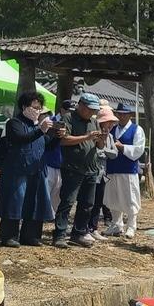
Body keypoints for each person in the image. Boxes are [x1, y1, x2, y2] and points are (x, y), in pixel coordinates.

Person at [0, 91, 56, 248]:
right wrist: (40, 130)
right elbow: (20, 139)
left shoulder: (38, 126)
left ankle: (31, 236)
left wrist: (57, 137)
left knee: (35, 202)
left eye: (39, 107)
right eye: (34, 106)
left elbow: (47, 145)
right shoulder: (14, 123)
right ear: (24, 107)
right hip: (17, 169)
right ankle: (9, 236)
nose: (37, 110)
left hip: (37, 169)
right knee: (14, 202)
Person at [52, 92, 106, 248]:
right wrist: (86, 137)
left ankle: (79, 233)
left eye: (94, 110)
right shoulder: (68, 118)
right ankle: (60, 234)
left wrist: (101, 139)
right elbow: (63, 140)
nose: (92, 113)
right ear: (81, 105)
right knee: (67, 201)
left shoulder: (94, 122)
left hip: (91, 168)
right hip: (73, 167)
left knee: (87, 204)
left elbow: (99, 146)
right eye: (90, 109)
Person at [102, 102, 145, 240]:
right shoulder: (112, 129)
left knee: (130, 197)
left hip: (128, 170)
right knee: (113, 196)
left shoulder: (136, 129)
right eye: (119, 113)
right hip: (112, 168)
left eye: (123, 114)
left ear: (129, 115)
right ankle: (116, 224)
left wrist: (123, 147)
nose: (120, 116)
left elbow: (139, 150)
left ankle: (131, 225)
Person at [78, 106, 119, 241]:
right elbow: (94, 152)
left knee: (99, 202)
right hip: (92, 172)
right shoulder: (93, 133)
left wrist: (104, 148)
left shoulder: (111, 137)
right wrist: (103, 149)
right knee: (88, 201)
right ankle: (84, 228)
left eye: (112, 123)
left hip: (103, 174)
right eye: (107, 122)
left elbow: (114, 154)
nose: (110, 125)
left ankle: (94, 227)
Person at [43, 99, 71, 212]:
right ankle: (42, 214)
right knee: (46, 190)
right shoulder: (50, 122)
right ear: (62, 110)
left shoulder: (71, 125)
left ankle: (53, 215)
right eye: (68, 111)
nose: (70, 114)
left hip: (63, 165)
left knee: (58, 193)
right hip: (49, 162)